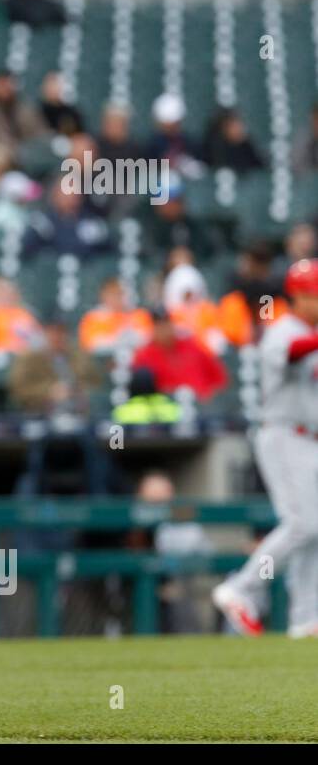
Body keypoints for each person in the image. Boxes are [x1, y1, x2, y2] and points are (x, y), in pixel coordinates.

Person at [213, 259, 318, 639]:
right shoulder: (282, 329)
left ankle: (307, 617)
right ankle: (241, 589)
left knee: (315, 529)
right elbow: (292, 353)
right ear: (299, 296)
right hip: (283, 434)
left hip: (310, 439)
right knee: (302, 523)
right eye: (313, 295)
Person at [130, 308, 227, 401]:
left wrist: (210, 398)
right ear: (152, 328)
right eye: (159, 325)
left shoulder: (191, 346)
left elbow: (218, 378)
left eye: (166, 323)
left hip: (201, 408)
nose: (164, 329)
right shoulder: (144, 355)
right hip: (168, 411)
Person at [79, 278, 153, 355]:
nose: (117, 297)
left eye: (121, 293)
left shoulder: (139, 314)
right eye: (113, 294)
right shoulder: (93, 317)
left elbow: (147, 339)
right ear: (103, 295)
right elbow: (90, 344)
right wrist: (118, 340)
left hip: (137, 360)